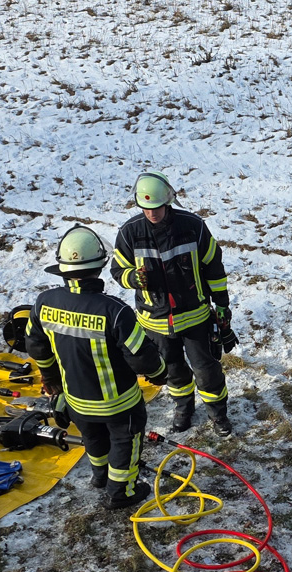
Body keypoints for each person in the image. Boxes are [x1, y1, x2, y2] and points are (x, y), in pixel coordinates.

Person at [26, 224, 167, 509]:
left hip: (77, 401)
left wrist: (49, 375)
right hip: (119, 404)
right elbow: (142, 356)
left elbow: (34, 343)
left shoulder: (45, 302)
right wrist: (159, 373)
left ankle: (100, 476)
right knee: (125, 442)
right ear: (99, 267)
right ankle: (122, 491)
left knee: (93, 438)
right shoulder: (116, 311)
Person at [110, 170, 235, 435]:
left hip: (195, 316)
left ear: (167, 202)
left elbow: (213, 266)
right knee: (173, 371)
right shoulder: (129, 232)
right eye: (146, 208)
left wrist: (221, 304)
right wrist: (132, 277)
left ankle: (218, 414)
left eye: (156, 207)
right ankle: (183, 408)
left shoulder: (193, 226)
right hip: (154, 321)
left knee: (206, 370)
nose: (152, 213)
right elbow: (118, 269)